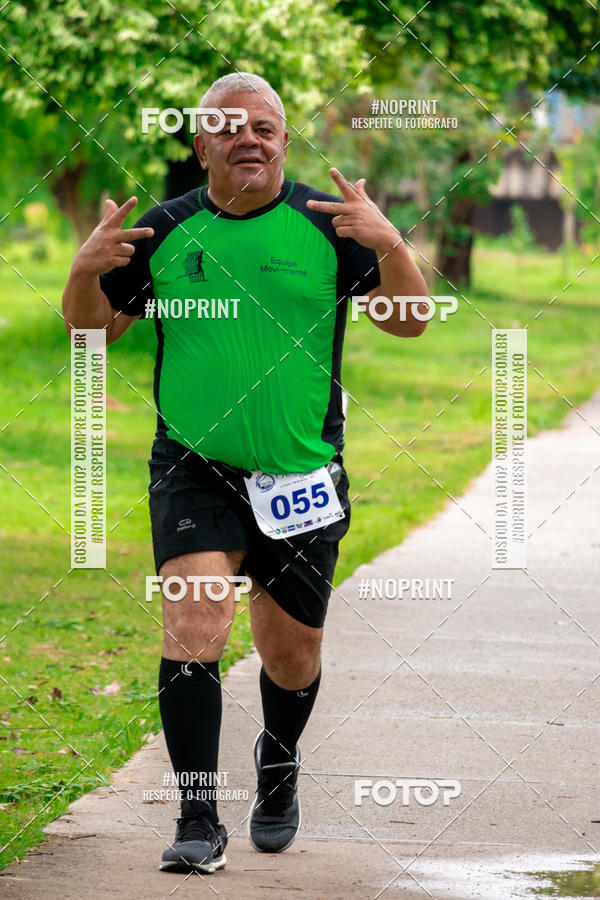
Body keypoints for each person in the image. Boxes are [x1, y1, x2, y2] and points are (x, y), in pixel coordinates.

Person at [62, 72, 428, 875]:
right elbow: (93, 334)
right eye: (228, 127)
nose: (247, 138)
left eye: (263, 126)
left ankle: (279, 762)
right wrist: (85, 271)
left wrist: (390, 242)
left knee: (290, 655)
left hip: (301, 476)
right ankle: (198, 814)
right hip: (195, 469)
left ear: (284, 142)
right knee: (194, 625)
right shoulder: (162, 233)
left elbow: (411, 322)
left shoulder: (329, 228)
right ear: (202, 147)